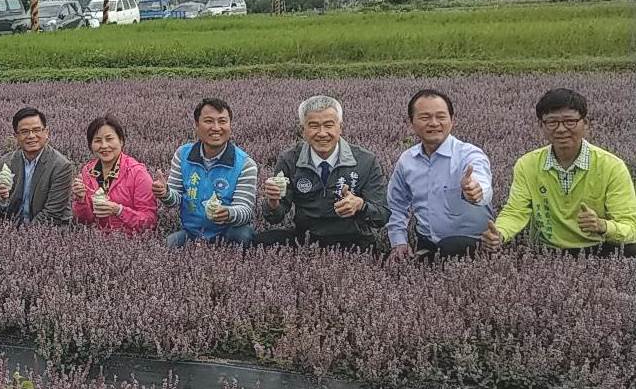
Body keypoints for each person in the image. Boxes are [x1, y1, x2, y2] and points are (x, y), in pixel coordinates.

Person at [482, 88, 636, 256]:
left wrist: (603, 226)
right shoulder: (528, 165)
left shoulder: (611, 166)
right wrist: (500, 233)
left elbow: (630, 226)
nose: (561, 129)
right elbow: (516, 211)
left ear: (585, 123)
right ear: (541, 126)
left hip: (600, 247)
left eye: (570, 121)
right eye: (552, 122)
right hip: (547, 250)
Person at [259, 96, 389, 251]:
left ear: (340, 127)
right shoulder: (289, 159)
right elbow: (275, 218)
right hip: (306, 237)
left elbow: (383, 215)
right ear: (303, 130)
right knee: (253, 242)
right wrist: (273, 202)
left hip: (354, 239)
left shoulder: (365, 161)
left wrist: (360, 205)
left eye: (329, 125)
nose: (322, 133)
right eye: (314, 126)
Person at [386, 90, 494, 260]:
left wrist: (476, 191)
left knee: (450, 247)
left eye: (441, 116)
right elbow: (396, 205)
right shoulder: (407, 160)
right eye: (425, 117)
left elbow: (482, 182)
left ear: (452, 121)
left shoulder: (469, 154)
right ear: (411, 123)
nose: (434, 123)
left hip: (471, 247)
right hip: (426, 244)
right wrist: (399, 241)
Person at [153, 98, 257, 247]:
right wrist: (165, 193)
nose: (216, 128)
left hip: (227, 231)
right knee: (168, 245)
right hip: (192, 232)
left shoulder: (245, 164)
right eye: (209, 121)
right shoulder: (183, 155)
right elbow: (174, 199)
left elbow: (245, 210)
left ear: (230, 125)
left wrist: (228, 213)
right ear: (197, 125)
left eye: (222, 121)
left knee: (244, 236)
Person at [0, 107, 73, 226]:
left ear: (46, 132)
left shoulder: (61, 166)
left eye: (37, 130)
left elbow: (53, 213)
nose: (31, 136)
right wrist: (2, 199)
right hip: (12, 229)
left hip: (49, 231)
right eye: (24, 131)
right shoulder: (6, 162)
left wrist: (23, 235)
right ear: (16, 136)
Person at [73, 115, 157, 233]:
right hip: (96, 242)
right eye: (97, 141)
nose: (104, 146)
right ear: (91, 145)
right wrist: (81, 200)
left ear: (121, 141)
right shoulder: (88, 172)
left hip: (131, 243)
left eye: (109, 139)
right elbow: (85, 221)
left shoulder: (137, 173)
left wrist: (119, 210)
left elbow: (150, 221)